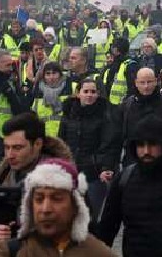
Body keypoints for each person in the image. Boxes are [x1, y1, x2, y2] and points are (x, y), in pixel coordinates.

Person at [0, 158, 115, 257]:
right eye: (38, 199)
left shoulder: (97, 253)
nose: (45, 208)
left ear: (75, 205)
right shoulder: (13, 251)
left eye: (56, 199)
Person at [97, 115, 162, 257]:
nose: (146, 151)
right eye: (141, 145)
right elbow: (106, 230)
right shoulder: (125, 179)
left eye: (152, 144)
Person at [58, 78, 116, 222]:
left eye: (93, 92)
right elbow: (61, 143)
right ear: (78, 93)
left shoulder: (105, 116)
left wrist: (105, 167)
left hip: (93, 173)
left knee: (90, 218)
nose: (89, 95)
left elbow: (108, 145)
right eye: (86, 91)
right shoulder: (68, 115)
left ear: (97, 94)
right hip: (70, 174)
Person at [112, 67, 162, 165]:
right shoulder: (126, 107)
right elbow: (115, 139)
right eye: (142, 82)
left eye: (149, 82)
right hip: (132, 165)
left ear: (156, 81)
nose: (146, 86)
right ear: (136, 83)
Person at [31, 61, 72, 137]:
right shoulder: (38, 92)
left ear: (60, 75)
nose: (51, 77)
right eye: (48, 74)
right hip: (45, 138)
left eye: (54, 73)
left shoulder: (71, 88)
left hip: (65, 137)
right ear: (43, 76)